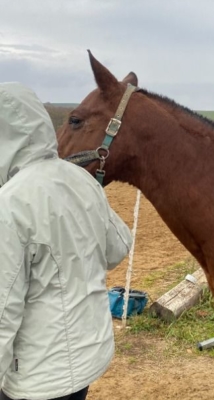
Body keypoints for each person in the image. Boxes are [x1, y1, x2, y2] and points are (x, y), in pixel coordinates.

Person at [0, 82, 132, 400]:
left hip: (37, 376)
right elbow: (118, 247)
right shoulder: (81, 179)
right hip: (88, 358)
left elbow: (3, 311)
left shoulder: (9, 204)